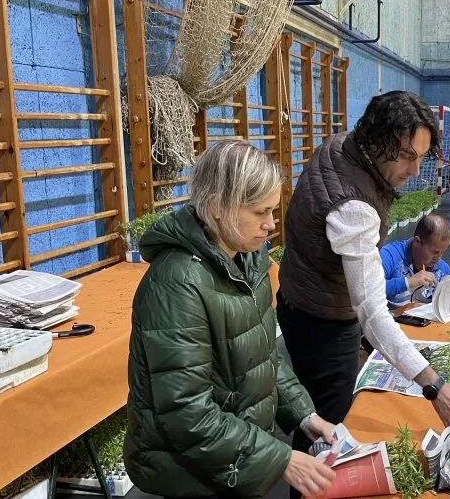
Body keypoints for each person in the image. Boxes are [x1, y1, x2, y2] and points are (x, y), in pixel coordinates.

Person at [277, 91, 450, 477]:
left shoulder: (343, 146)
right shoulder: (353, 207)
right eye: (407, 156)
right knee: (327, 429)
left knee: (312, 417)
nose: (415, 169)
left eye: (421, 156)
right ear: (377, 141)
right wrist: (434, 385)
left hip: (299, 296)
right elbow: (371, 311)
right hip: (321, 321)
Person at [125, 142, 337, 499]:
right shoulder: (177, 284)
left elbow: (263, 355)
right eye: (260, 212)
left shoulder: (246, 259)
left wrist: (304, 415)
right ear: (216, 208)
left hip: (232, 458)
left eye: (273, 210)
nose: (271, 225)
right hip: (189, 472)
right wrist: (280, 458)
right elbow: (187, 414)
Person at [381, 214, 450, 307]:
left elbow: (447, 306)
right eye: (435, 252)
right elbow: (370, 289)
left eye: (443, 251)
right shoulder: (390, 255)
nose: (439, 257)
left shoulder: (443, 269)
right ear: (417, 242)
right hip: (391, 320)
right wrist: (408, 283)